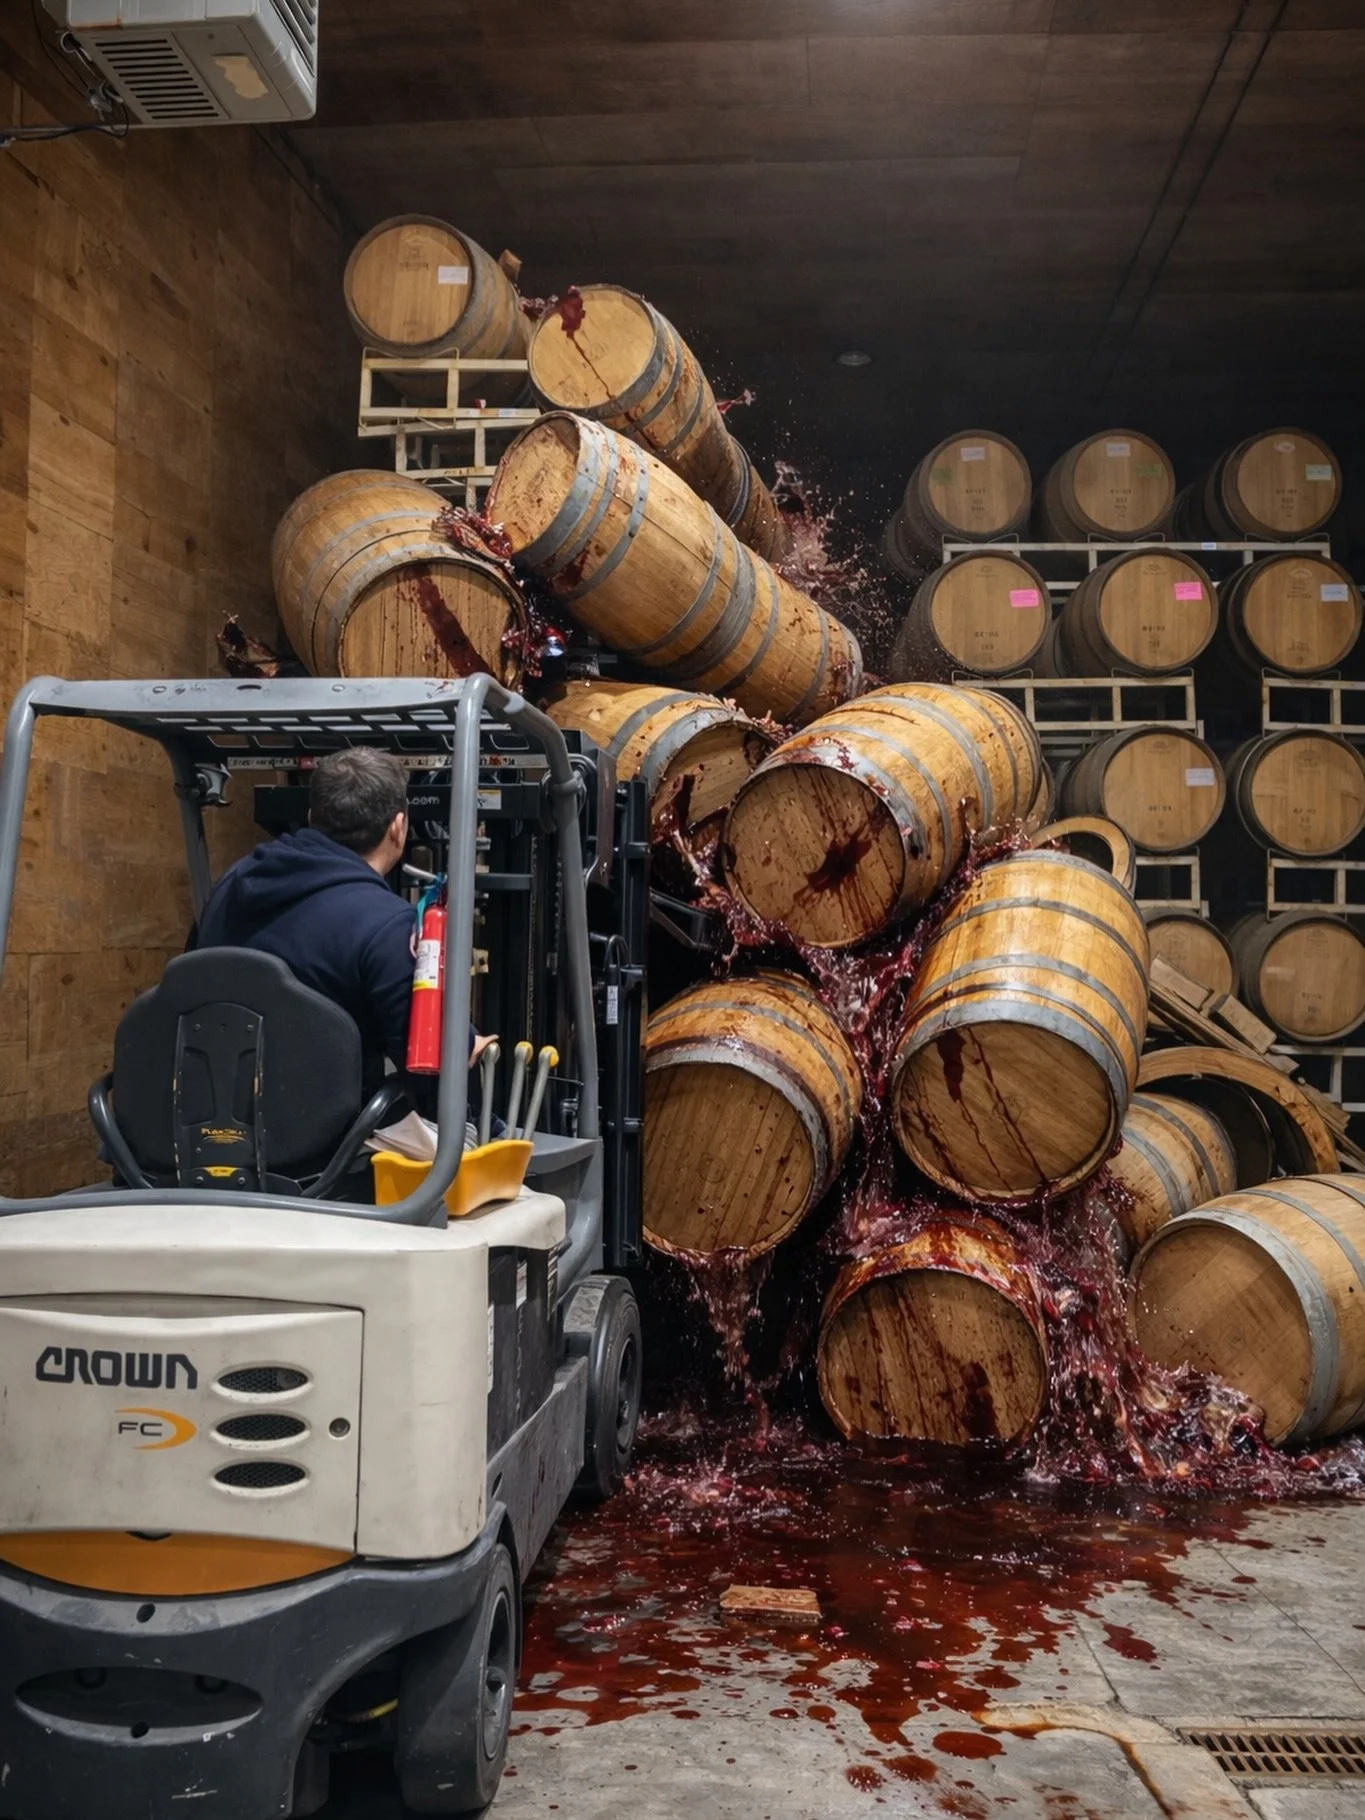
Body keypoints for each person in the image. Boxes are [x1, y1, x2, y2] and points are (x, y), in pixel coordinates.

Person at [190, 747, 482, 1088]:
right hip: (330, 1132)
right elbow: (428, 1072)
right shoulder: (390, 927)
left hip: (206, 1113)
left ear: (312, 817)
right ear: (398, 828)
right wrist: (467, 1047)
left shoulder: (229, 884)